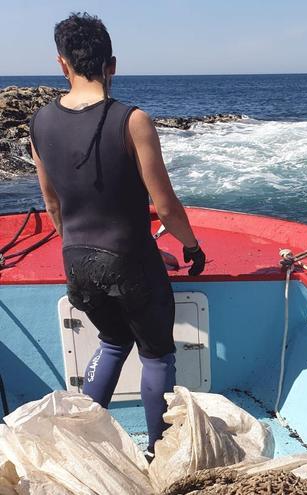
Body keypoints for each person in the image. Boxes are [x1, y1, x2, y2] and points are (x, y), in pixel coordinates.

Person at [29, 12, 207, 458]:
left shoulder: (38, 124)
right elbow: (165, 205)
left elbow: (54, 206)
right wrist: (189, 247)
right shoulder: (133, 120)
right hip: (129, 262)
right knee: (156, 355)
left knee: (112, 341)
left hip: (77, 261)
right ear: (113, 64)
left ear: (62, 64)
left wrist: (88, 251)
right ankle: (157, 453)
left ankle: (88, 443)